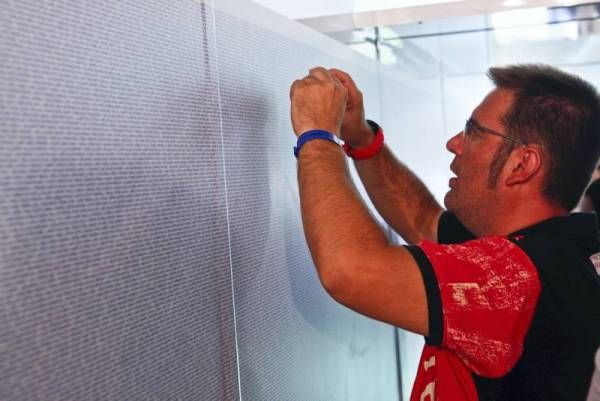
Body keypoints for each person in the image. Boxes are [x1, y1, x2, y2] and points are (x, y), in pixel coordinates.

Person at [289, 64, 600, 400]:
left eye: (474, 131)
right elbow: (422, 219)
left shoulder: (523, 278)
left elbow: (350, 270)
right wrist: (361, 138)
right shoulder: (535, 249)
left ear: (522, 164)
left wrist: (317, 136)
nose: (454, 143)